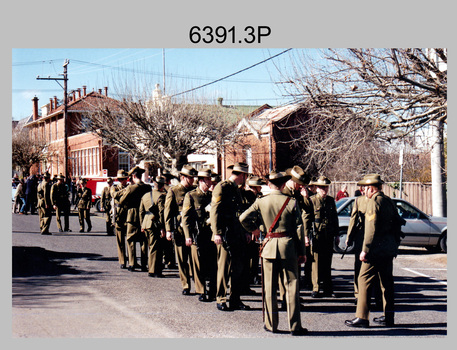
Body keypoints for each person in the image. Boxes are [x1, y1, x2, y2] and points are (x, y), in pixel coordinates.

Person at [240, 170, 308, 335]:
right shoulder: (291, 202)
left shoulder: (261, 201)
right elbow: (300, 229)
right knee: (292, 286)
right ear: (284, 184)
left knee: (269, 288)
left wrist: (255, 230)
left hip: (269, 247)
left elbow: (243, 218)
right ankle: (295, 326)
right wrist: (302, 252)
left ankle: (272, 325)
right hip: (288, 247)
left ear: (269, 184)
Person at [345, 174, 405, 328]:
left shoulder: (373, 202)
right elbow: (397, 223)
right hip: (388, 248)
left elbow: (371, 229)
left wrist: (365, 249)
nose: (364, 191)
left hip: (375, 250)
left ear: (371, 188)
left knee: (363, 280)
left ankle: (362, 317)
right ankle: (389, 317)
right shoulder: (388, 201)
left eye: (366, 188)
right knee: (386, 283)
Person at [210, 162, 251, 311]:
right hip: (225, 234)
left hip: (237, 233)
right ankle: (221, 298)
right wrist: (217, 233)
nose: (246, 178)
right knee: (224, 268)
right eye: (245, 175)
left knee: (238, 268)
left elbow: (240, 213)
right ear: (242, 175)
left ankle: (235, 299)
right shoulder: (222, 187)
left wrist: (246, 231)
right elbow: (215, 211)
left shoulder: (237, 190)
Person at [182, 168, 216, 302]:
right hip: (197, 233)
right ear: (201, 181)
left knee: (212, 262)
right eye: (207, 180)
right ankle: (201, 290)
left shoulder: (212, 196)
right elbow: (185, 217)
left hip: (210, 234)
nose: (210, 182)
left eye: (210, 179)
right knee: (197, 264)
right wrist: (187, 235)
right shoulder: (191, 195)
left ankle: (212, 290)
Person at [164, 164, 197, 294]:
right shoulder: (174, 191)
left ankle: (198, 283)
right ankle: (185, 285)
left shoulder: (195, 190)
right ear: (183, 177)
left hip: (193, 229)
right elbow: (168, 213)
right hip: (179, 230)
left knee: (194, 258)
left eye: (193, 177)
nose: (192, 180)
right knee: (182, 259)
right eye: (190, 177)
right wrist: (168, 230)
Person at [309, 176, 339, 298]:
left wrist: (336, 234)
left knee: (327, 262)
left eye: (325, 187)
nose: (324, 190)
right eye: (321, 187)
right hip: (317, 236)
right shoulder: (312, 201)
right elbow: (308, 219)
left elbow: (335, 219)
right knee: (315, 262)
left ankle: (328, 288)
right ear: (316, 188)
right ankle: (316, 288)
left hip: (328, 235)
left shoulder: (331, 201)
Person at [118, 166, 152, 272]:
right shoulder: (147, 187)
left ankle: (132, 263)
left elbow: (122, 201)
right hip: (144, 216)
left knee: (131, 239)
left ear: (133, 176)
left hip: (132, 215)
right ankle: (143, 263)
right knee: (143, 240)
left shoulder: (131, 188)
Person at [140, 175, 167, 277]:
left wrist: (142, 224)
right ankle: (153, 270)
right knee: (155, 247)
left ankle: (153, 268)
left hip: (146, 223)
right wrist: (162, 227)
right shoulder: (161, 196)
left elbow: (141, 211)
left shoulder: (145, 195)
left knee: (150, 246)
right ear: (161, 185)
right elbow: (161, 213)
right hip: (154, 223)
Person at [111, 169, 130, 269]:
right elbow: (114, 195)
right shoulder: (114, 188)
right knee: (120, 240)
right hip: (118, 215)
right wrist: (125, 191)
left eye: (124, 179)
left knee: (130, 240)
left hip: (128, 214)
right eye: (121, 179)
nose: (123, 181)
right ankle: (122, 260)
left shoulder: (129, 187)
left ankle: (131, 261)